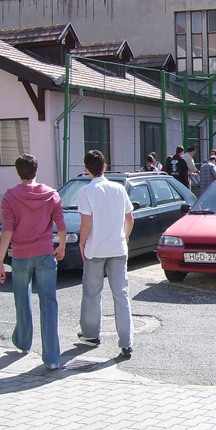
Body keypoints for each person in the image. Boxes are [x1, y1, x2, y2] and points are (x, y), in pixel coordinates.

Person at [0, 154, 66, 370]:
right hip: (45, 253)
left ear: (18, 172)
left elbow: (7, 229)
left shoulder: (10, 197)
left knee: (21, 298)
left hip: (21, 254)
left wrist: (0, 261)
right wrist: (62, 246)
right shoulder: (51, 194)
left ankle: (23, 342)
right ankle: (52, 358)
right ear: (37, 171)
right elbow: (61, 224)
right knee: (48, 302)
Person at [77, 149, 135, 358]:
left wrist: (82, 243)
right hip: (118, 248)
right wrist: (125, 237)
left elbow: (86, 223)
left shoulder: (85, 191)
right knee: (121, 294)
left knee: (92, 293)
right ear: (105, 167)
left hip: (95, 248)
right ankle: (126, 342)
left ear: (86, 170)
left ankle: (91, 334)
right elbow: (130, 219)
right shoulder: (119, 188)